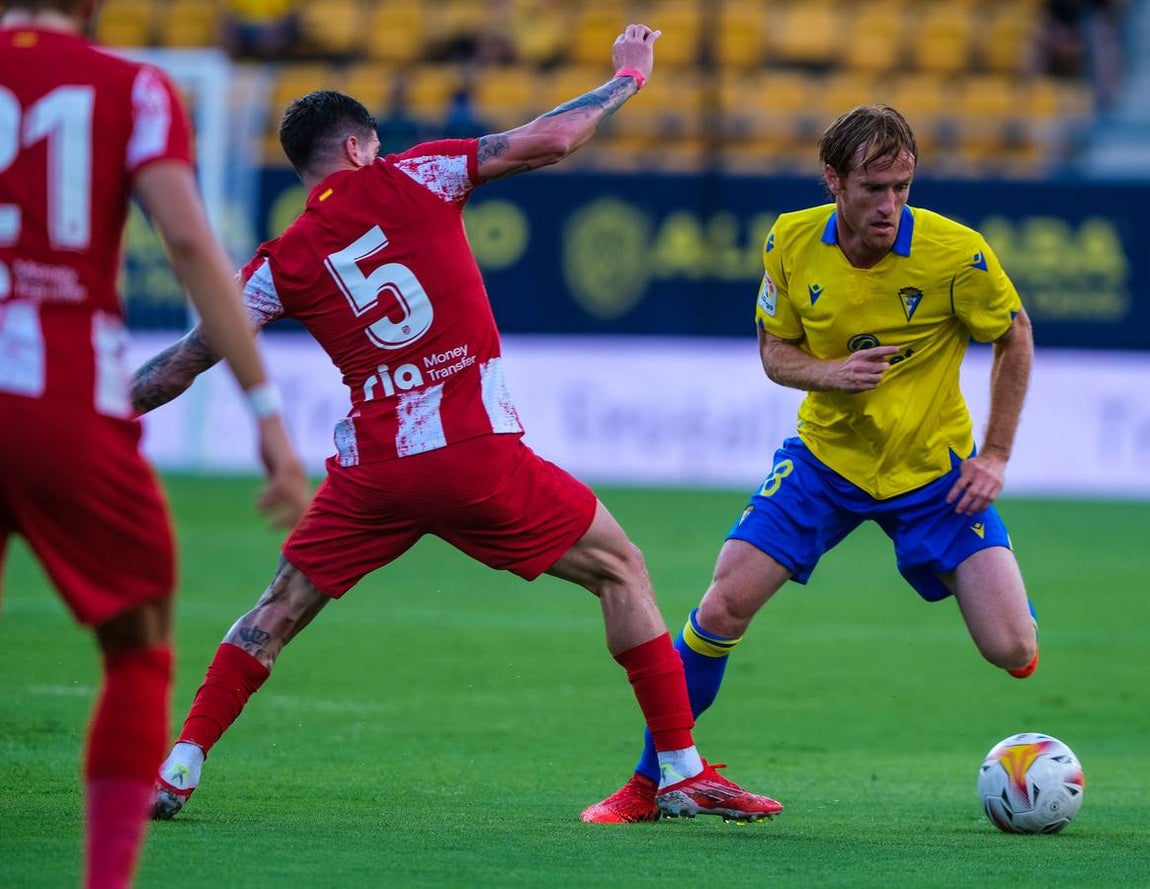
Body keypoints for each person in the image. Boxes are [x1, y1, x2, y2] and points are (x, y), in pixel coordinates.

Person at [134, 24, 783, 826]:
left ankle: (180, 762)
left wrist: (89, 414)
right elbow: (555, 137)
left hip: (376, 473)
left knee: (280, 604)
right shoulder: (421, 173)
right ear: (363, 145)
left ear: (306, 169)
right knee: (621, 569)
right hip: (476, 456)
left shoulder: (281, 261)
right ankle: (680, 769)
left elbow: (183, 363)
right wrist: (628, 76)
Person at [581, 103, 1038, 824]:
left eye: (902, 186)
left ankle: (994, 588)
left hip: (931, 472)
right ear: (833, 180)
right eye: (872, 188)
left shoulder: (958, 252)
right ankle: (654, 780)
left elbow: (1014, 336)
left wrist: (997, 453)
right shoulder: (790, 241)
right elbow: (774, 352)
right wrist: (832, 374)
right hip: (824, 462)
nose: (890, 205)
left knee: (1013, 647)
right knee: (722, 604)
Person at [0, 2, 310, 887]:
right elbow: (186, 241)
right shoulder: (132, 87)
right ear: (93, 7)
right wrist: (266, 414)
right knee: (138, 643)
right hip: (60, 396)